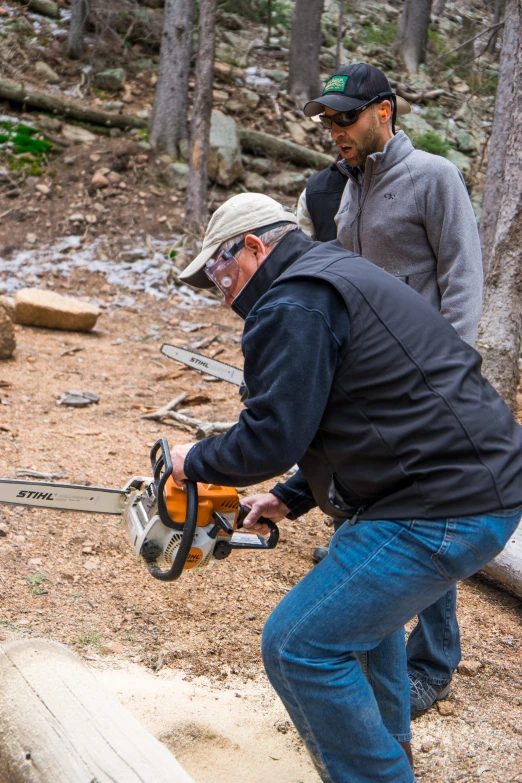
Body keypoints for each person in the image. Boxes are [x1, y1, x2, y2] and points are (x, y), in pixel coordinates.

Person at [169, 192, 522, 782]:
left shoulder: (293, 303)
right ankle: (391, 748)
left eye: (218, 269)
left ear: (254, 247)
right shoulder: (333, 275)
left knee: (296, 646)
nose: (218, 286)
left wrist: (194, 461)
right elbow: (355, 414)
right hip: (463, 486)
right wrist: (291, 496)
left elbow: (270, 437)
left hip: (443, 503)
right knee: (362, 627)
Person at [296, 62, 485, 719]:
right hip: (367, 380)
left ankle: (433, 663)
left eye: (345, 118)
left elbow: (463, 275)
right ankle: (369, 640)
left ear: (386, 111)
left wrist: (450, 372)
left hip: (426, 386)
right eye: (328, 120)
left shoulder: (434, 177)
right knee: (368, 509)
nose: (334, 130)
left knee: (424, 521)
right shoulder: (344, 190)